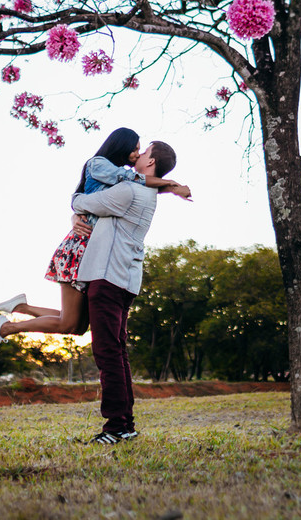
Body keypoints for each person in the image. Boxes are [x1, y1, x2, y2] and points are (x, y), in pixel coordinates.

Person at [0, 129, 189, 353]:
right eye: (136, 149)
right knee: (69, 323)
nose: (138, 154)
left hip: (91, 249)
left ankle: (21, 307)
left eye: (142, 151)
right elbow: (115, 187)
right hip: (79, 247)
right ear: (122, 145)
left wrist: (170, 189)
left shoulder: (124, 178)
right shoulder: (99, 164)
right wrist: (171, 185)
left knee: (77, 325)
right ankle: (5, 328)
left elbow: (136, 186)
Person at [69, 140, 177, 444]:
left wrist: (75, 207)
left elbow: (84, 202)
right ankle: (125, 425)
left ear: (151, 162)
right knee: (117, 353)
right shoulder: (146, 192)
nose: (138, 155)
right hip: (124, 279)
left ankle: (116, 427)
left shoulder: (128, 191)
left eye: (144, 152)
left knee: (107, 354)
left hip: (107, 277)